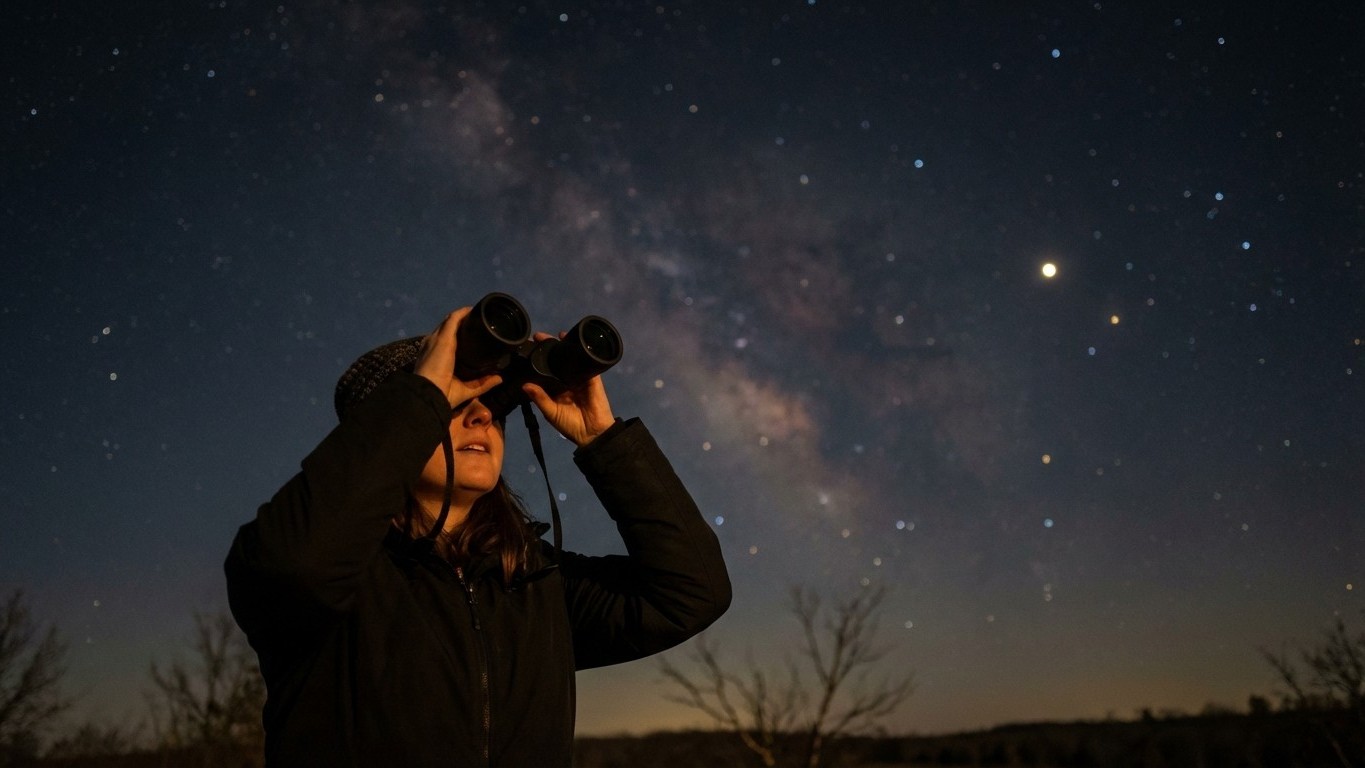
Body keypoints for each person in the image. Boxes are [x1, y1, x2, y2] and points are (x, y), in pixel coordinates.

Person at [224, 305, 732, 767]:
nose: (482, 414)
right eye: (453, 401)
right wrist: (419, 397)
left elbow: (692, 592)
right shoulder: (333, 584)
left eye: (494, 405)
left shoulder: (534, 585)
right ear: (393, 424)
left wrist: (604, 440)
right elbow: (290, 566)